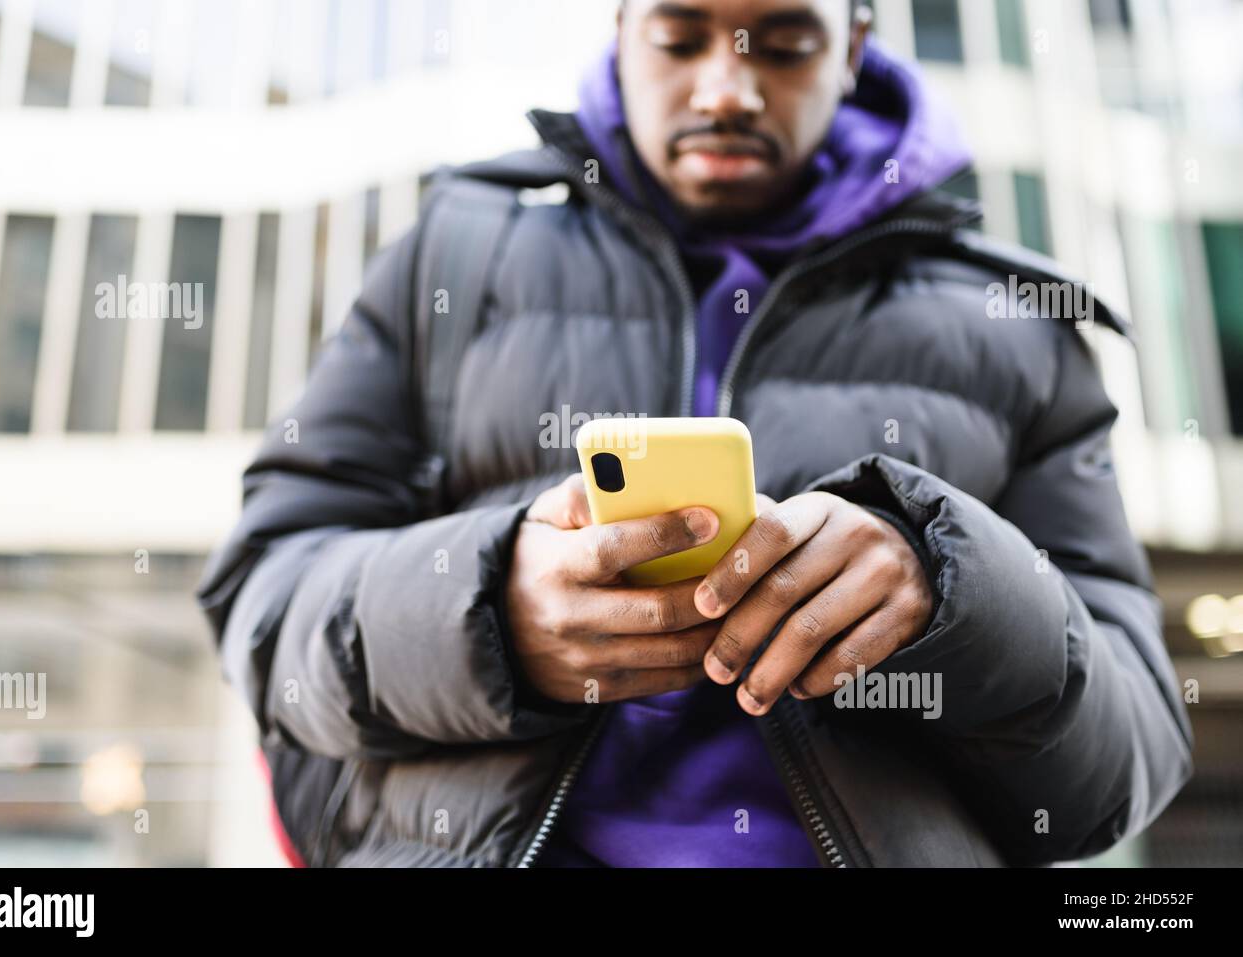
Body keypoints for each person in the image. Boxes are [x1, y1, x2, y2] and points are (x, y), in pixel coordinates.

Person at [196, 0, 1193, 867]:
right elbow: (267, 601)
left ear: (852, 50)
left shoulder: (1016, 322)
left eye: (784, 46)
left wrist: (953, 595)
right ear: (621, 34)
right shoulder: (452, 250)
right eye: (679, 37)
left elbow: (1120, 771)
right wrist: (489, 616)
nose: (727, 89)